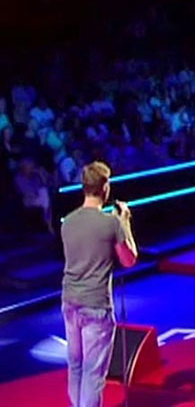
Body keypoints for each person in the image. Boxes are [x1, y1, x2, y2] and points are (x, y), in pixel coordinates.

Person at [61, 162, 138, 407]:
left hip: (70, 301)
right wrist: (124, 223)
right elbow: (129, 259)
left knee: (76, 366)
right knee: (93, 373)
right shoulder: (110, 223)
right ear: (104, 187)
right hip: (96, 305)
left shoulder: (67, 222)